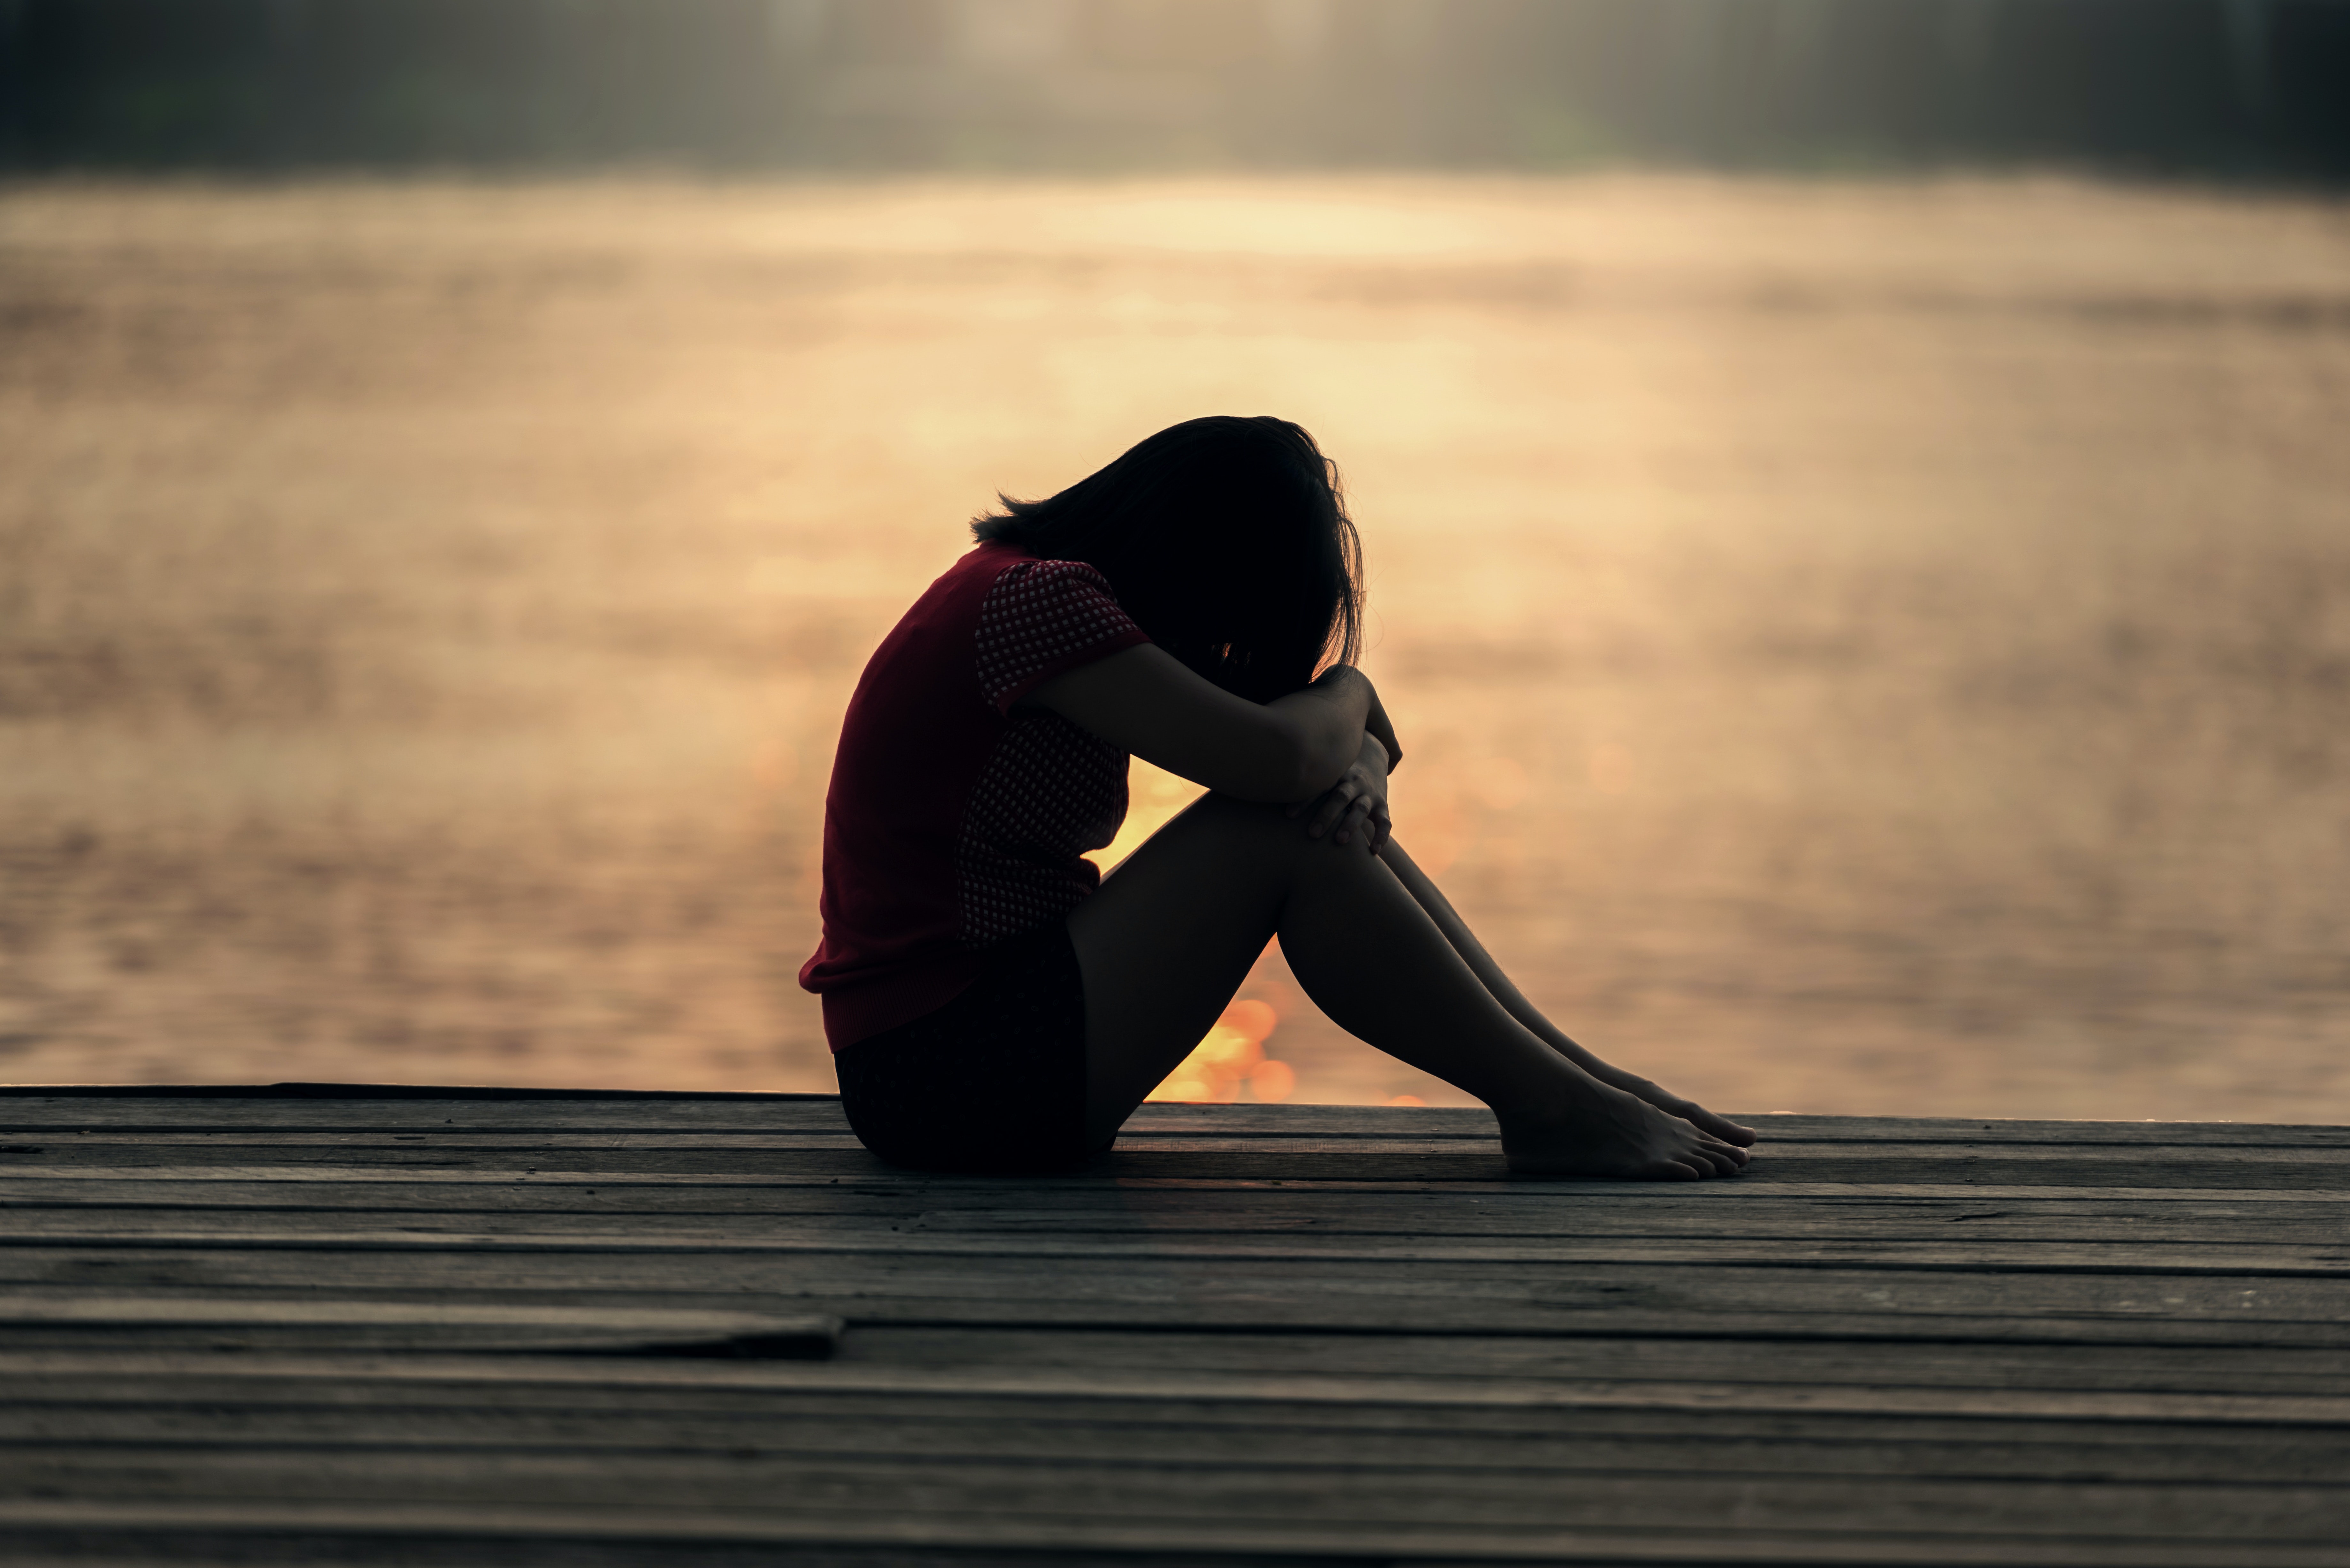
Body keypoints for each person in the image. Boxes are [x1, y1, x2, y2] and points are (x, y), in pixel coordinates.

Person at [800, 415, 1756, 1180]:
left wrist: (1364, 759)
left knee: (1301, 820)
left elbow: (1311, 758)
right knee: (1274, 829)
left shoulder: (1030, 597)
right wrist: (1355, 691)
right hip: (942, 1074)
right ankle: (1557, 1108)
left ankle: (1579, 1086)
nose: (1226, 645)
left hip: (970, 1058)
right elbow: (1281, 760)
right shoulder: (1037, 603)